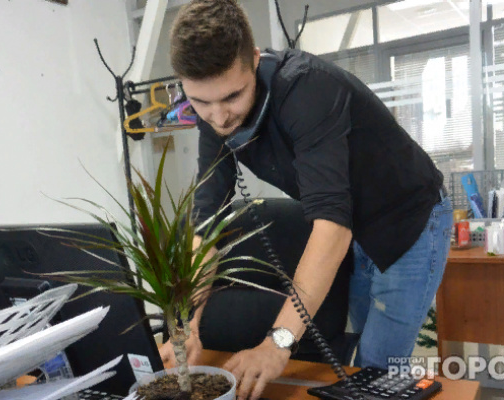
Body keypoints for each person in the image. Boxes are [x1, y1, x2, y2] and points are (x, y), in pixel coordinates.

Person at [158, 1, 453, 399]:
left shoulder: (307, 89)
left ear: (255, 60)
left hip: (410, 220)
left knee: (377, 365)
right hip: (358, 228)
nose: (219, 117)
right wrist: (188, 324)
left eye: (232, 96)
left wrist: (277, 343)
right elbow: (206, 225)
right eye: (200, 102)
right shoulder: (213, 116)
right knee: (357, 358)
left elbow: (331, 226)